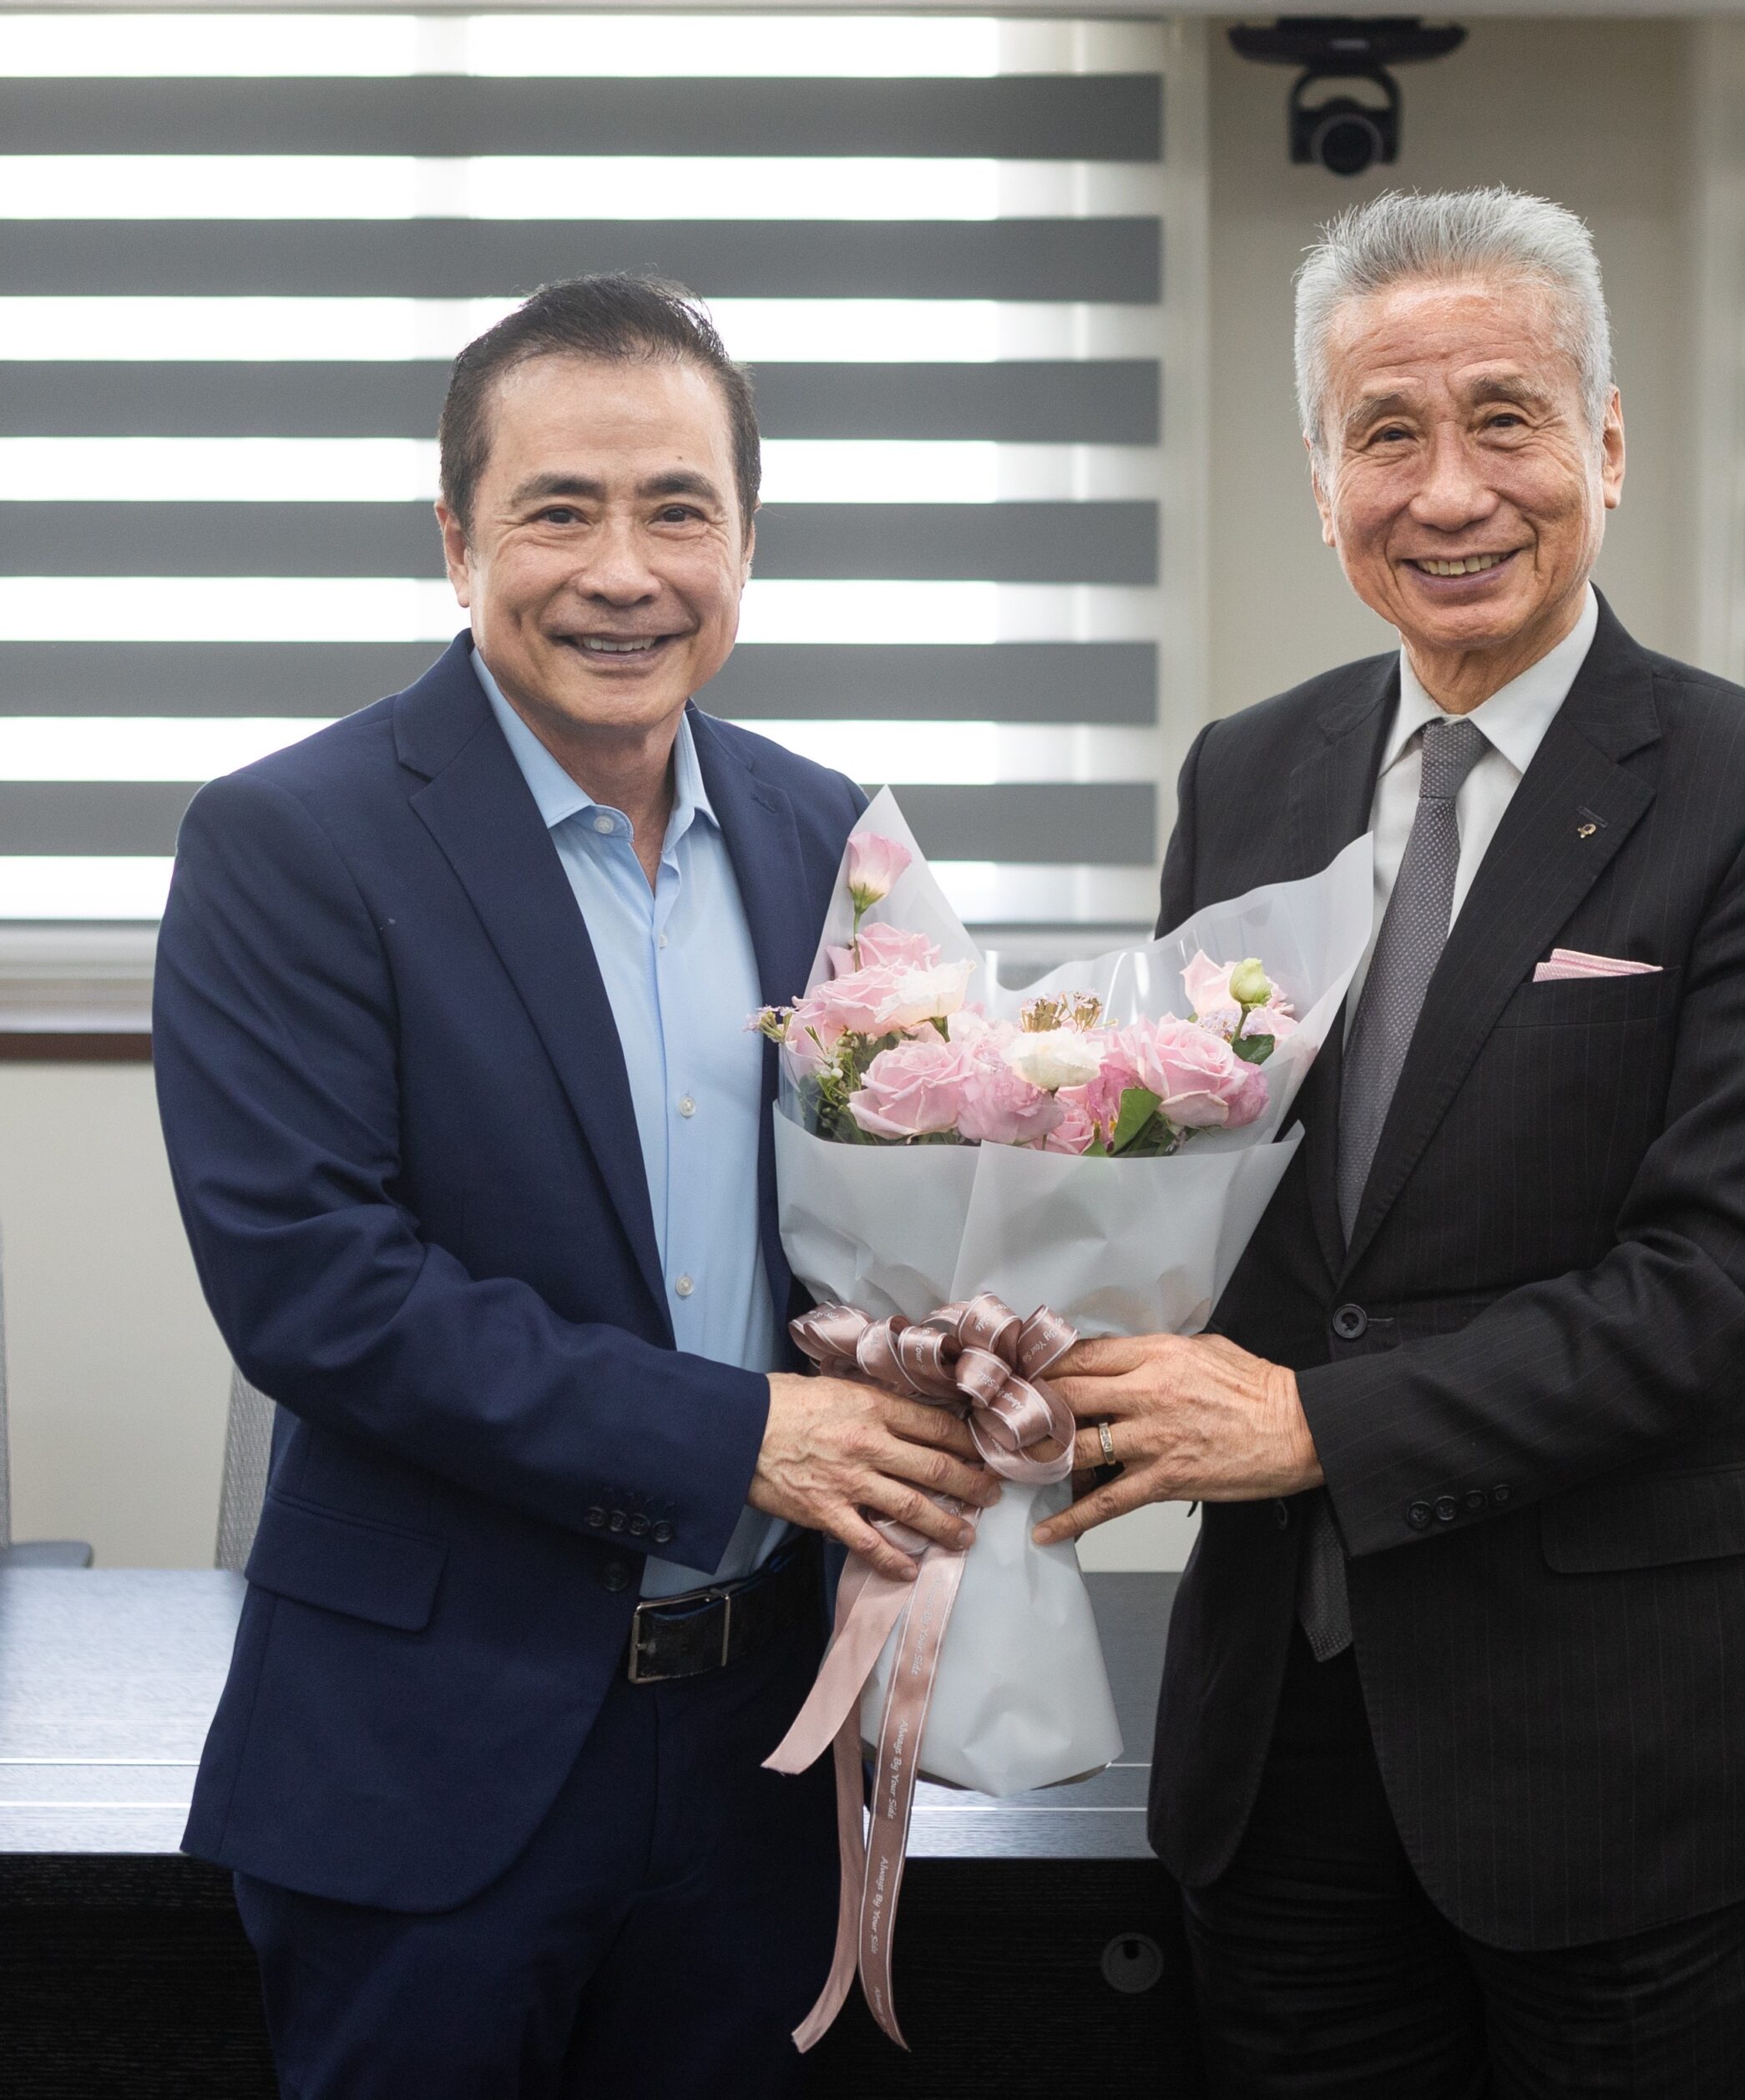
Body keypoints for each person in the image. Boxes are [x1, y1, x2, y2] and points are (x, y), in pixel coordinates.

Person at [1036, 188, 1745, 2095]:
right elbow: (1196, 1194)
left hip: (1631, 1748)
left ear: (1606, 441)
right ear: (1321, 479)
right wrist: (1015, 1324)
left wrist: (1314, 1427)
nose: (1448, 492)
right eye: (1386, 434)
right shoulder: (1244, 774)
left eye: (1504, 419)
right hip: (1282, 1742)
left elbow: (1729, 1288)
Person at [153, 275, 997, 2097]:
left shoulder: (828, 834)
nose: (624, 573)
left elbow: (893, 1212)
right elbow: (317, 1287)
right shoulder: (289, 840)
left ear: (747, 542)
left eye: (678, 510)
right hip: (429, 1758)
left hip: (767, 1752)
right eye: (558, 511)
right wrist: (738, 1438)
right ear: (457, 540)